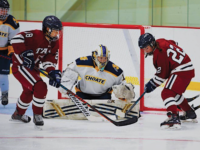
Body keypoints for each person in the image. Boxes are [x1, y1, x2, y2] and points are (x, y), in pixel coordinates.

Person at [10, 15, 62, 127]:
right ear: (47, 29)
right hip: (21, 66)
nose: (57, 33)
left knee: (29, 91)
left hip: (34, 68)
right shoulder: (36, 35)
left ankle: (18, 114)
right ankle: (37, 115)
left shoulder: (54, 42)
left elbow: (49, 59)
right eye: (55, 30)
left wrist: (52, 72)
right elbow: (16, 39)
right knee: (40, 87)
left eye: (58, 31)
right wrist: (25, 53)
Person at [138, 33, 197, 129]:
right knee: (174, 94)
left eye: (146, 48)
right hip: (186, 68)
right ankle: (189, 112)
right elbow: (174, 43)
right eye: (143, 48)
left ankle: (173, 117)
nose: (145, 50)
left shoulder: (158, 54)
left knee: (166, 93)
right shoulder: (161, 41)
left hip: (181, 70)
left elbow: (163, 75)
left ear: (152, 44)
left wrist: (151, 84)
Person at [59, 44, 135, 101]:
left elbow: (122, 83)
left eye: (105, 58)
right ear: (95, 56)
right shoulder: (83, 62)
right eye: (100, 58)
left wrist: (125, 92)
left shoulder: (115, 70)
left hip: (103, 96)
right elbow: (69, 69)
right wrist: (65, 86)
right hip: (82, 94)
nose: (102, 61)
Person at [0, 0, 19, 106]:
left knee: (3, 75)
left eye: (5, 10)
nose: (4, 12)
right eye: (2, 10)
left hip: (4, 52)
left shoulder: (12, 21)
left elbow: (14, 39)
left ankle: (4, 94)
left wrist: (11, 52)